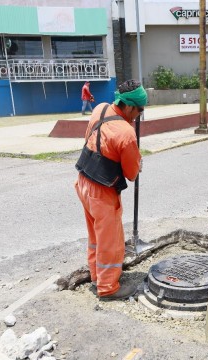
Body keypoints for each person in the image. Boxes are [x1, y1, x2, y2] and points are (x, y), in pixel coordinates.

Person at [74, 79, 147, 299]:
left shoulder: (100, 108)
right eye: (139, 110)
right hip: (102, 191)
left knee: (95, 236)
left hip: (83, 181)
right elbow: (131, 174)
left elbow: (92, 139)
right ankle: (107, 288)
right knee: (111, 242)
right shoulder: (126, 133)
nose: (139, 115)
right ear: (129, 106)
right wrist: (138, 163)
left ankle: (97, 277)